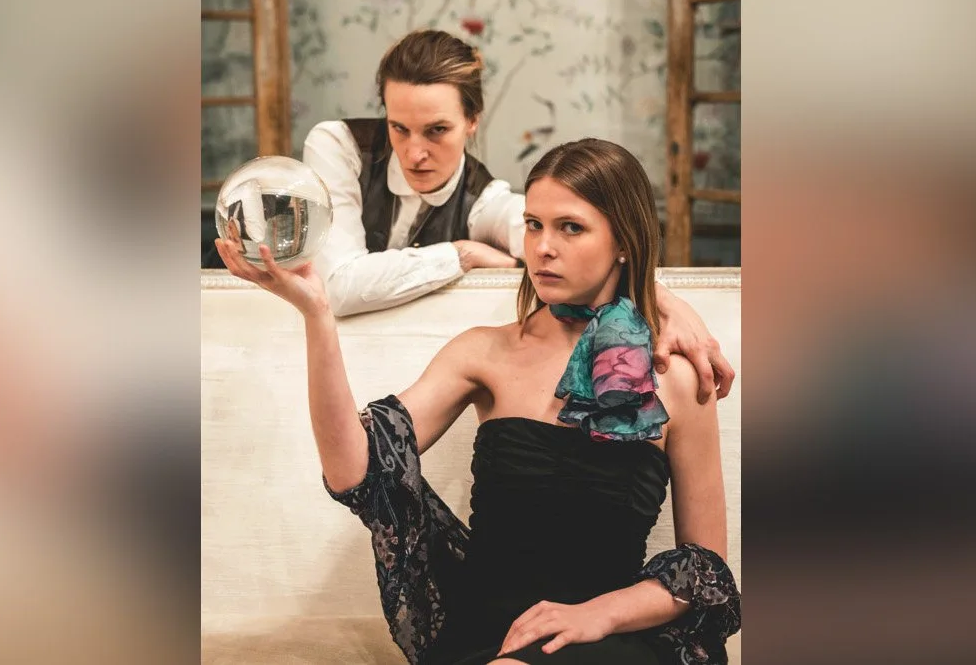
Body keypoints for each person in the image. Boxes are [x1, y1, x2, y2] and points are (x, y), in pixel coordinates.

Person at [215, 138, 740, 664]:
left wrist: (598, 615)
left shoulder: (677, 377)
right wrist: (317, 315)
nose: (543, 247)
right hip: (486, 637)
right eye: (533, 224)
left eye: (570, 227)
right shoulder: (483, 352)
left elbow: (707, 570)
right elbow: (353, 471)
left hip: (610, 639)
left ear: (623, 241)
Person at [298, 29, 735, 401]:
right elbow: (339, 287)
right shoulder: (338, 145)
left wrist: (671, 304)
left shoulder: (484, 198)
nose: (414, 153)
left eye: (437, 130)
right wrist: (462, 254)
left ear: (472, 121)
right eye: (399, 128)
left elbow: (582, 245)